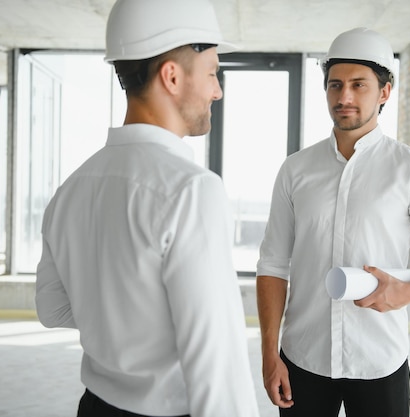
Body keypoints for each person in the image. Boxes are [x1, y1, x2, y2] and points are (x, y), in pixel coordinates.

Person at [35, 1, 260, 416]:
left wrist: (119, 321)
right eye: (212, 72)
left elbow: (52, 310)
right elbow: (218, 368)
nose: (218, 90)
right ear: (172, 76)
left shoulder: (71, 188)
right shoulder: (192, 190)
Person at [256, 27, 410, 417]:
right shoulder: (295, 170)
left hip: (381, 362)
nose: (344, 97)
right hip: (302, 360)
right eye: (335, 85)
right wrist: (269, 354)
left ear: (384, 92)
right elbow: (273, 266)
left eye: (359, 85)